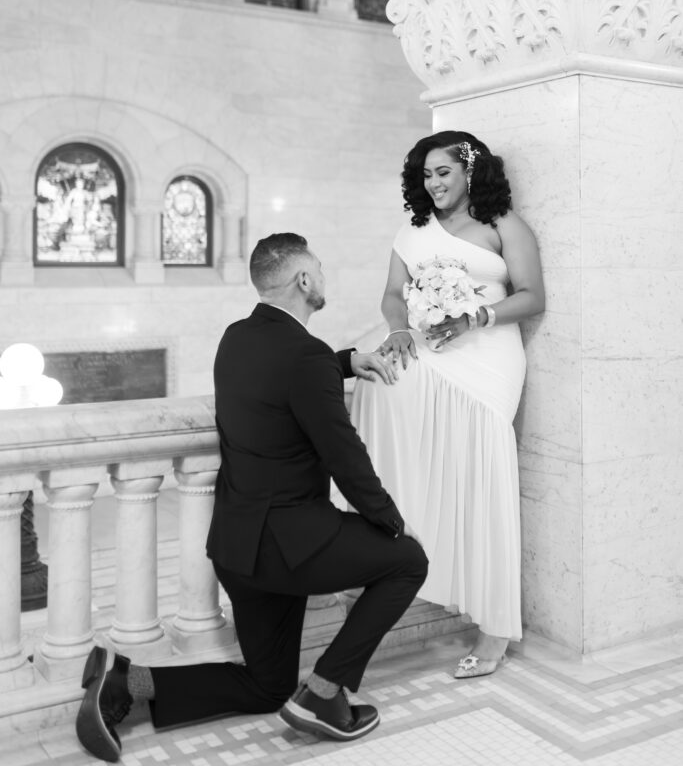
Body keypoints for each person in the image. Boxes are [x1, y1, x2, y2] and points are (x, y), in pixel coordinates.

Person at [76, 232, 427, 762]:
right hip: (294, 545)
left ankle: (127, 681)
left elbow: (281, 378)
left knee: (267, 687)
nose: (324, 278)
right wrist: (392, 523)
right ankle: (326, 695)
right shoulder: (304, 356)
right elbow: (345, 457)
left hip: (239, 551)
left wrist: (343, 359)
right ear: (304, 280)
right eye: (320, 269)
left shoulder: (235, 338)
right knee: (407, 562)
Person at [351, 131, 545, 678]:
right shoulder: (411, 230)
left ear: (470, 171)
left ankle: (497, 629)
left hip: (485, 359)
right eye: (426, 175)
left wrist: (475, 316)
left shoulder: (504, 226)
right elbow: (394, 293)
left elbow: (533, 295)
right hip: (427, 347)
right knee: (377, 382)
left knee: (480, 476)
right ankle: (393, 544)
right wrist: (399, 331)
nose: (433, 184)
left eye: (443, 172)